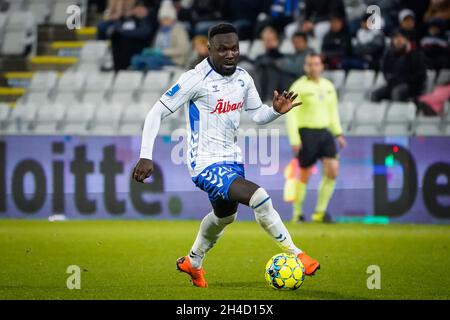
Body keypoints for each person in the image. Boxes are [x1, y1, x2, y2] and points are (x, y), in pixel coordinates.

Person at [132, 23, 320, 288]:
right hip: (204, 163)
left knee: (224, 217)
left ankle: (193, 262)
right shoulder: (195, 78)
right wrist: (145, 155)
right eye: (222, 49)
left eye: (234, 48)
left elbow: (257, 115)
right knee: (260, 197)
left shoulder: (244, 78)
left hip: (232, 160)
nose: (230, 54)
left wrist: (275, 111)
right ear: (210, 49)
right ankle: (296, 254)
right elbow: (156, 112)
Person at [286, 53, 346, 223]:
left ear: (322, 66)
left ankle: (320, 212)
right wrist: (295, 139)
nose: (313, 67)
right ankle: (297, 213)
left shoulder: (328, 86)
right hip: (306, 133)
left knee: (333, 171)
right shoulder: (298, 86)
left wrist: (338, 133)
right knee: (304, 174)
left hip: (325, 133)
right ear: (306, 67)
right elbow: (291, 114)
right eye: (310, 64)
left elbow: (333, 112)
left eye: (317, 64)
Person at [131, 1, 190, 70]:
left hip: (174, 59)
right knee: (136, 59)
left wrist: (162, 52)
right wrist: (151, 51)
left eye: (166, 18)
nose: (163, 21)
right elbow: (155, 47)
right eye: (162, 19)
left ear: (172, 18)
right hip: (158, 57)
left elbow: (183, 49)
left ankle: (154, 79)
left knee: (151, 61)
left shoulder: (178, 29)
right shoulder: (160, 30)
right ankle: (140, 79)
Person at [371, 29, 427, 102]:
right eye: (396, 37)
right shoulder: (388, 54)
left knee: (397, 92)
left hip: (412, 86)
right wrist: (392, 79)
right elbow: (385, 71)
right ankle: (377, 113)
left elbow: (421, 75)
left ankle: (397, 113)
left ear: (406, 39)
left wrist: (404, 80)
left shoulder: (416, 53)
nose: (398, 40)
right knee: (375, 94)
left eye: (401, 37)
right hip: (393, 84)